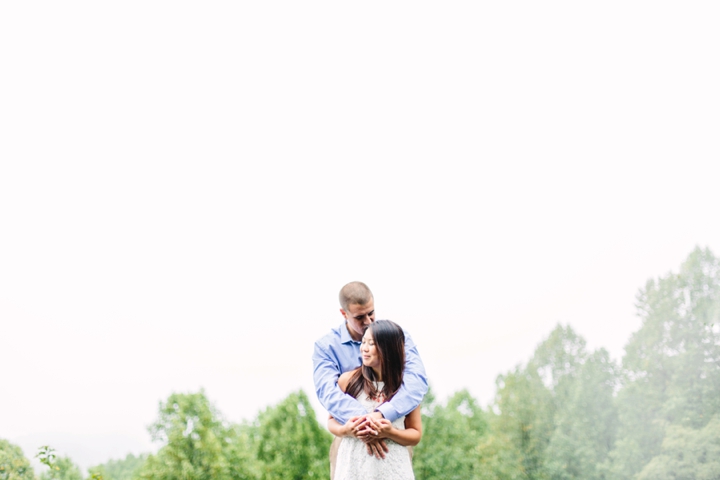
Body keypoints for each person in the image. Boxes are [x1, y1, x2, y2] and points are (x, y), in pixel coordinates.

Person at [312, 281, 428, 477]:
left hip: (392, 438)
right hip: (349, 436)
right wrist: (364, 424)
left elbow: (416, 382)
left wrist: (382, 417)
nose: (368, 321)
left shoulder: (396, 337)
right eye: (359, 317)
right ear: (344, 314)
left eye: (371, 313)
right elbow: (328, 393)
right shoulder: (326, 347)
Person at [328, 320, 421, 480]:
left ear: (388, 348)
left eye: (371, 343)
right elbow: (331, 421)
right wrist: (346, 431)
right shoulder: (347, 380)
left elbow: (415, 434)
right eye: (363, 342)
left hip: (392, 466)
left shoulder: (406, 388)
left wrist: (390, 432)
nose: (364, 348)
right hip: (353, 466)